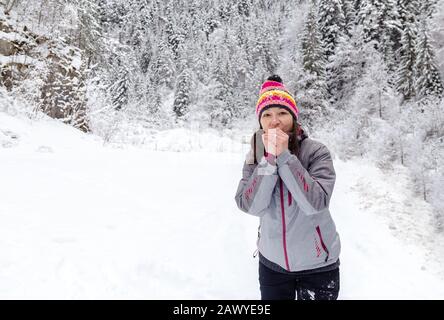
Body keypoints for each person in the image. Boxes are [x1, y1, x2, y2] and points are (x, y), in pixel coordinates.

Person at [234, 75, 341, 300]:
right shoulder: (255, 156)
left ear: (293, 117)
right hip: (272, 265)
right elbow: (249, 205)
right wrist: (269, 159)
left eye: (282, 113)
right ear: (260, 121)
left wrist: (284, 156)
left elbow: (316, 203)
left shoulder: (316, 151)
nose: (275, 121)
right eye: (267, 115)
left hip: (318, 265)